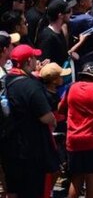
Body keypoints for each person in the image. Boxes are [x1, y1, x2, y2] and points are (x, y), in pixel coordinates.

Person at [1, 44, 59, 198]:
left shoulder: (5, 80)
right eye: (34, 57)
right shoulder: (30, 86)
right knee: (33, 191)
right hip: (31, 152)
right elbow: (46, 117)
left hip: (9, 148)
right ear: (28, 61)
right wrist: (53, 121)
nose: (37, 60)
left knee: (13, 192)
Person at [58, 60, 93, 198]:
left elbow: (60, 109)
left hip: (73, 140)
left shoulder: (72, 87)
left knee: (76, 179)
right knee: (91, 179)